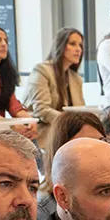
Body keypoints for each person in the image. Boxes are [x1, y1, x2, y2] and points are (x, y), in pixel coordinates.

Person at [23, 27, 87, 156]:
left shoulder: (76, 78)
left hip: (67, 134)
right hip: (43, 133)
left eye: (80, 45)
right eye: (72, 44)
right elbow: (41, 110)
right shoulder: (42, 70)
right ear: (61, 45)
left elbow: (80, 110)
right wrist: (69, 123)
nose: (78, 49)